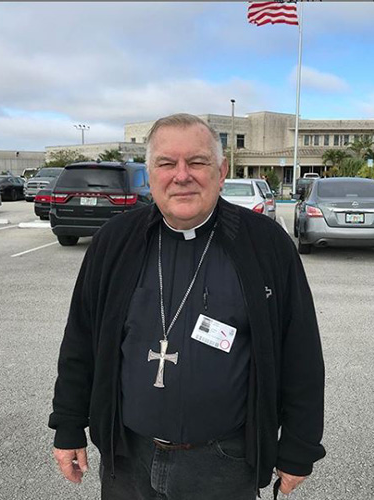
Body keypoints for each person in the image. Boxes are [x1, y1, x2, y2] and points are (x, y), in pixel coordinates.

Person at [49, 113, 325, 499]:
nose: (182, 175)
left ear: (221, 170)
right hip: (128, 459)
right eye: (166, 163)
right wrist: (68, 425)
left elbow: (301, 352)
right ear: (150, 173)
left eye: (197, 162)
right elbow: (80, 339)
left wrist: (299, 448)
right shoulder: (115, 241)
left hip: (224, 465)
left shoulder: (265, 245)